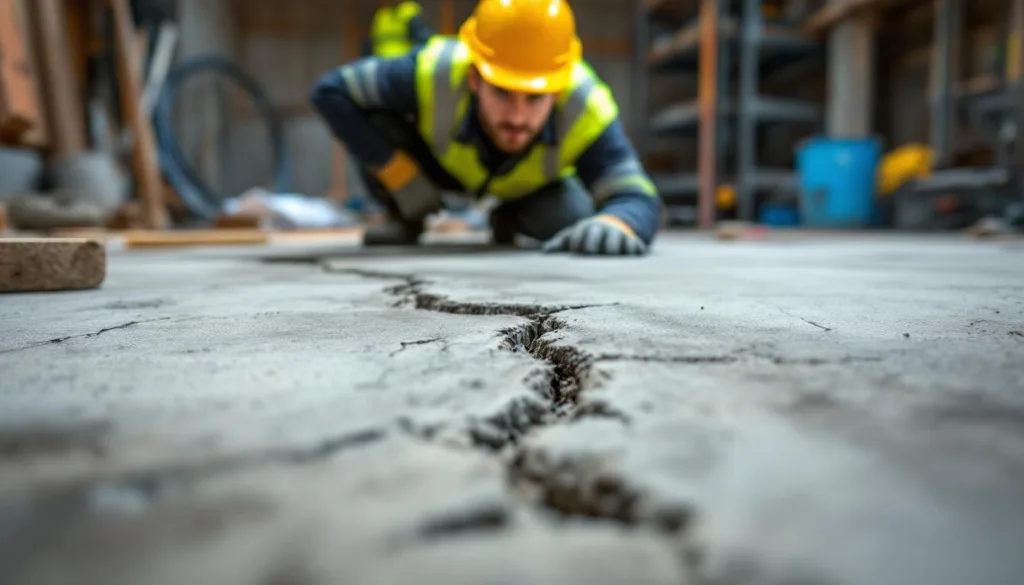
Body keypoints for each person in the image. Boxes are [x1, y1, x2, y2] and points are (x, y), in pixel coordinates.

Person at [311, 0, 662, 255]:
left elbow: (636, 193)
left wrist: (620, 222)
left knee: (574, 219)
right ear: (474, 78)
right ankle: (405, 218)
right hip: (434, 171)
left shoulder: (586, 107)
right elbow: (330, 92)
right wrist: (399, 174)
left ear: (557, 92)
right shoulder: (433, 71)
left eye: (535, 98)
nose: (517, 118)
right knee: (378, 121)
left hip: (527, 190)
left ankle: (507, 218)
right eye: (502, 93)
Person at [366, 0, 432, 58]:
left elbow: (422, 38)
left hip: (404, 60)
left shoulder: (409, 11)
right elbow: (372, 41)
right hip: (381, 60)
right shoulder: (381, 15)